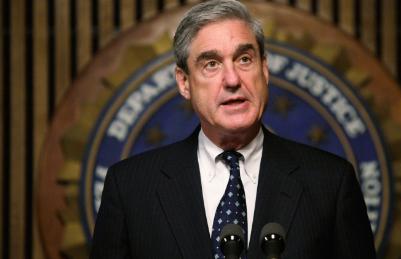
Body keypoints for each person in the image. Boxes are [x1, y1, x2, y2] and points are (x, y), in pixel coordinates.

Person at [90, 0, 376, 258]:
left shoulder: (330, 183)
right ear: (184, 82)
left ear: (264, 69)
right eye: (211, 64)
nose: (232, 79)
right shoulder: (130, 188)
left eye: (244, 59)